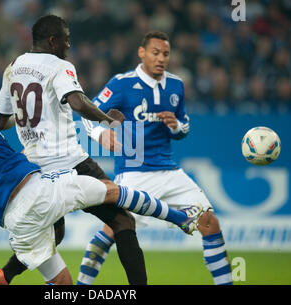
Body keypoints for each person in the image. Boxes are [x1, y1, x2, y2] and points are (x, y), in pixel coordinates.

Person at [0, 68, 204, 285]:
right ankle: (180, 218)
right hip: (35, 193)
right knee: (111, 191)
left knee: (60, 281)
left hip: (16, 223)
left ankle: (5, 275)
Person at [0, 14, 197, 285]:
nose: (69, 46)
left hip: (34, 168)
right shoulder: (60, 66)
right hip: (70, 161)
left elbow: (0, 121)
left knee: (54, 234)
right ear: (53, 41)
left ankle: (5, 274)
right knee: (123, 221)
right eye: (66, 40)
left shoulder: (13, 67)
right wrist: (108, 121)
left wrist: (32, 116)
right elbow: (77, 101)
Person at [79, 31, 233, 285]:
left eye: (165, 54)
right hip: (133, 172)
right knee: (114, 228)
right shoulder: (121, 84)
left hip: (169, 171)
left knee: (209, 222)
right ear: (142, 53)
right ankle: (80, 286)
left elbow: (184, 127)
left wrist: (176, 127)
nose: (161, 58)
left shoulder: (176, 85)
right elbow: (86, 112)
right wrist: (98, 134)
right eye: (155, 52)